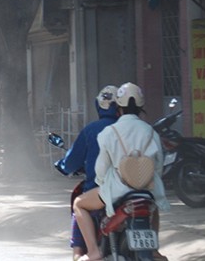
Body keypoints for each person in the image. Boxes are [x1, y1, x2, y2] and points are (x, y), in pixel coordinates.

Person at [74, 82, 170, 261]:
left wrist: (105, 184)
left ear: (118, 108)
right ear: (141, 107)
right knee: (153, 207)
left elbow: (101, 169)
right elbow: (158, 166)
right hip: (146, 190)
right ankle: (154, 250)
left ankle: (94, 251)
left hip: (117, 192)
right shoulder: (151, 132)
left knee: (79, 204)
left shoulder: (110, 132)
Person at [54, 85, 118, 261]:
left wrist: (62, 165)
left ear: (98, 105)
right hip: (132, 190)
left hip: (100, 191)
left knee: (79, 204)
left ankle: (88, 252)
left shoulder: (91, 130)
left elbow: (71, 163)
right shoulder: (130, 128)